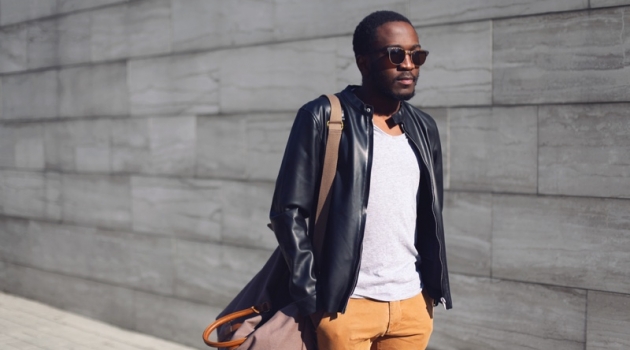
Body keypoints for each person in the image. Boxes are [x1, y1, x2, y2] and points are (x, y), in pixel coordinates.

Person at [269, 10, 452, 350]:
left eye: (417, 55)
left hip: (412, 306)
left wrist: (429, 293)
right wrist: (313, 301)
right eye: (396, 55)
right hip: (345, 308)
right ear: (364, 62)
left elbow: (430, 215)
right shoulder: (323, 116)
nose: (409, 65)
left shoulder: (424, 127)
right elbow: (286, 212)